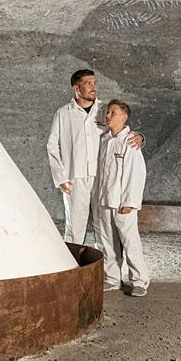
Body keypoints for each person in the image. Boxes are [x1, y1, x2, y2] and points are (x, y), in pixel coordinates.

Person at [46, 69, 143, 244]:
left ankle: (106, 261)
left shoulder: (105, 110)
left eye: (94, 83)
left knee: (104, 225)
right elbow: (52, 146)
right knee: (75, 225)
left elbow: (120, 133)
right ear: (76, 88)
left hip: (102, 176)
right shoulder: (63, 113)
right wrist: (60, 177)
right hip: (75, 176)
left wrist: (140, 137)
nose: (93, 87)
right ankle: (73, 260)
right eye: (88, 84)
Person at [94, 100, 149, 296]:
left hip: (122, 203)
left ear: (124, 117)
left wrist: (130, 202)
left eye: (113, 113)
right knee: (107, 242)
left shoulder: (130, 142)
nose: (108, 116)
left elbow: (136, 173)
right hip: (104, 200)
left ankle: (140, 281)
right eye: (108, 112)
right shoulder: (104, 140)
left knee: (130, 241)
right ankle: (112, 278)